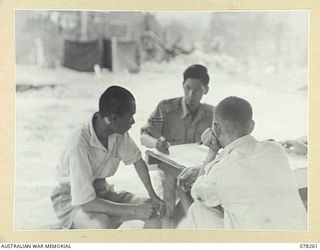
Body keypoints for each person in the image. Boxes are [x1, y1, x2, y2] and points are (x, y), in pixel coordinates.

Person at [178, 96, 307, 230]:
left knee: (198, 209)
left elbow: (198, 195)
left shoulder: (222, 170)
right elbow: (246, 165)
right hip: (298, 235)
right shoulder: (276, 149)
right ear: (252, 126)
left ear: (216, 128)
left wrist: (212, 152)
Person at [50, 86, 165, 229]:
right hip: (72, 199)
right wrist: (134, 210)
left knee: (152, 212)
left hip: (101, 191)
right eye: (129, 116)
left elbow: (137, 160)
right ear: (113, 118)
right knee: (101, 223)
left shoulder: (117, 131)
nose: (133, 121)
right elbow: (86, 203)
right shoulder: (79, 144)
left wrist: (153, 195)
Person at [140, 64, 214, 154]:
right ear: (183, 85)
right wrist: (156, 144)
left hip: (197, 164)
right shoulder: (165, 108)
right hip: (170, 164)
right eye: (188, 88)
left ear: (206, 90)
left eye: (197, 90)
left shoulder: (213, 114)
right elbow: (144, 137)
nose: (191, 94)